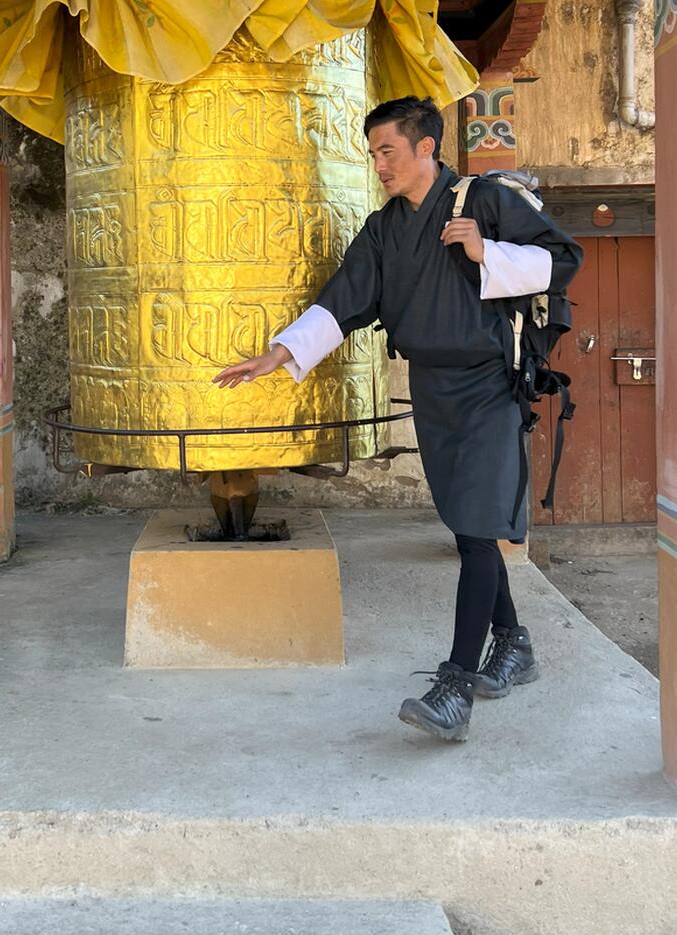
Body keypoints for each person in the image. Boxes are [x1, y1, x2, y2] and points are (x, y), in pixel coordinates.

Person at [213, 96, 582, 743]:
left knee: (478, 526)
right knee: (472, 528)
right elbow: (346, 295)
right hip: (434, 389)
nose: (378, 163)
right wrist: (278, 354)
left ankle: (455, 687)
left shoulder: (484, 200)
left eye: (388, 150)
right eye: (374, 152)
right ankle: (515, 643)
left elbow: (564, 260)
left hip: (491, 387)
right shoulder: (385, 229)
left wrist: (488, 253)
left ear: (425, 148)